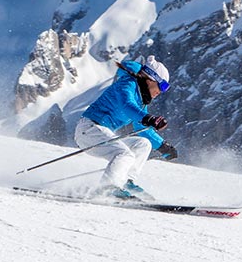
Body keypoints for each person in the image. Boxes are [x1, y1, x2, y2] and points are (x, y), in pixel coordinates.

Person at [74, 56, 177, 199]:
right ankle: (107, 188)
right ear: (151, 78)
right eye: (162, 86)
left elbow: (140, 125)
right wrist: (149, 118)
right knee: (124, 154)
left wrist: (163, 146)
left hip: (102, 133)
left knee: (143, 144)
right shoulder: (127, 84)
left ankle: (126, 182)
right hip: (89, 129)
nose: (161, 91)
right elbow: (126, 105)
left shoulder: (141, 100)